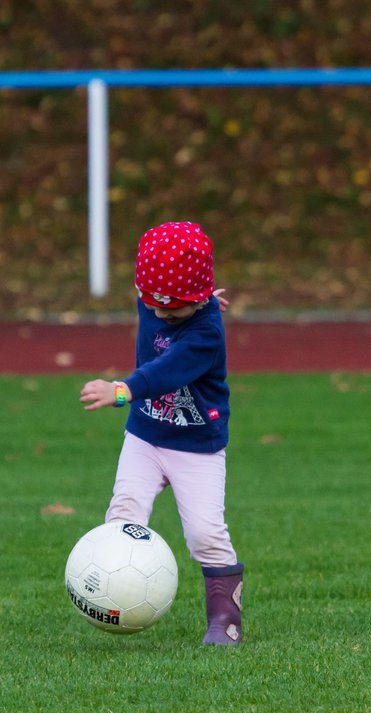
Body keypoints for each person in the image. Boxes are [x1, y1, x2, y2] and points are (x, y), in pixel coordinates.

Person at [79, 221, 245, 646]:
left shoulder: (206, 334)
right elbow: (166, 300)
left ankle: (224, 617)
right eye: (153, 305)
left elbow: (165, 371)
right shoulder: (155, 299)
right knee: (123, 516)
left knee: (206, 533)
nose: (160, 315)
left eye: (173, 310)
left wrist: (122, 391)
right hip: (146, 437)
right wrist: (203, 298)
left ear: (198, 298)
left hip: (197, 447)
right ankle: (115, 601)